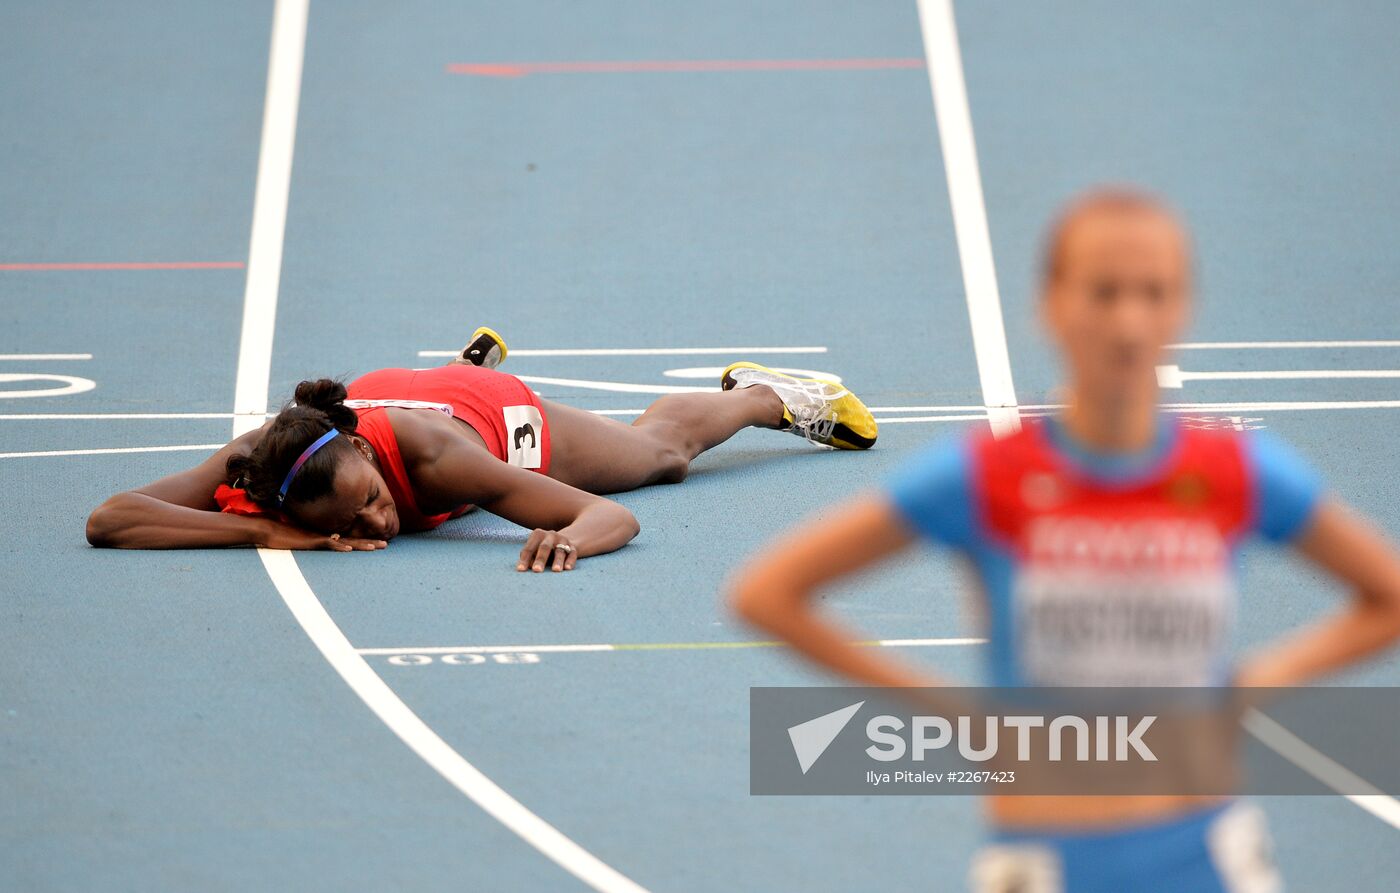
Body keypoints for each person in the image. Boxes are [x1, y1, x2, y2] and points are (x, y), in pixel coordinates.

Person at [728, 189, 1400, 891]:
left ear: (1184, 309)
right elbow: (768, 592)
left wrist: (1251, 686)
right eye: (1104, 292)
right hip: (1047, 861)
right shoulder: (987, 475)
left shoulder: (1234, 471)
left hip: (1207, 856)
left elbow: (1387, 595)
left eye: (1155, 293)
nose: (1130, 322)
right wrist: (951, 708)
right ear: (1051, 302)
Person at [86, 327, 879, 572]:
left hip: (483, 423)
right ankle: (464, 361)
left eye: (372, 497)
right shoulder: (265, 461)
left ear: (362, 447)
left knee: (660, 456)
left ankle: (768, 394)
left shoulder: (436, 465)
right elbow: (111, 518)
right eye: (354, 519)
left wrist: (567, 537)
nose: (382, 521)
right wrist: (264, 531)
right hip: (395, 388)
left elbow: (607, 514)